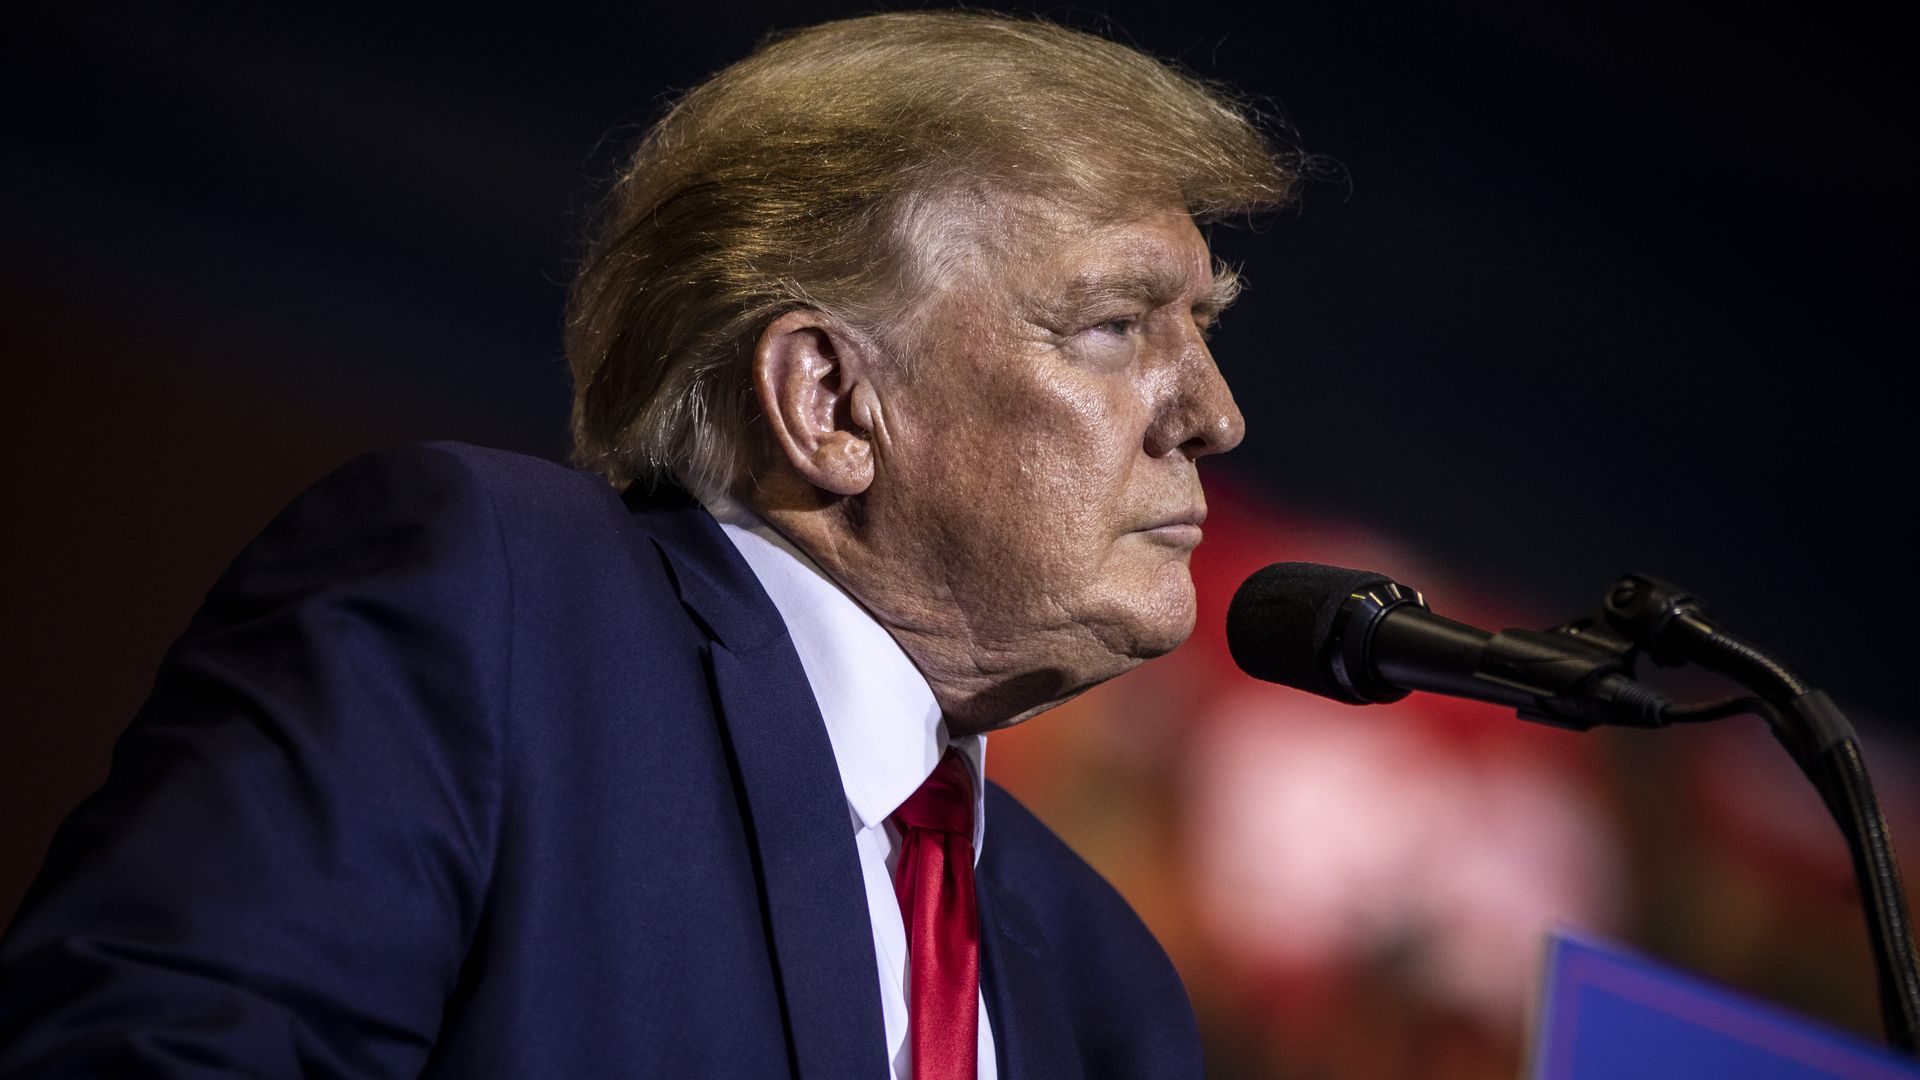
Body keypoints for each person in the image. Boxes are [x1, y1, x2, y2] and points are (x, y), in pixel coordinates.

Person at [0, 11, 1295, 1077]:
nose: (1215, 414)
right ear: (833, 404)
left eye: (1203, 326)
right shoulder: (493, 607)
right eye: (1118, 325)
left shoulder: (1105, 981)